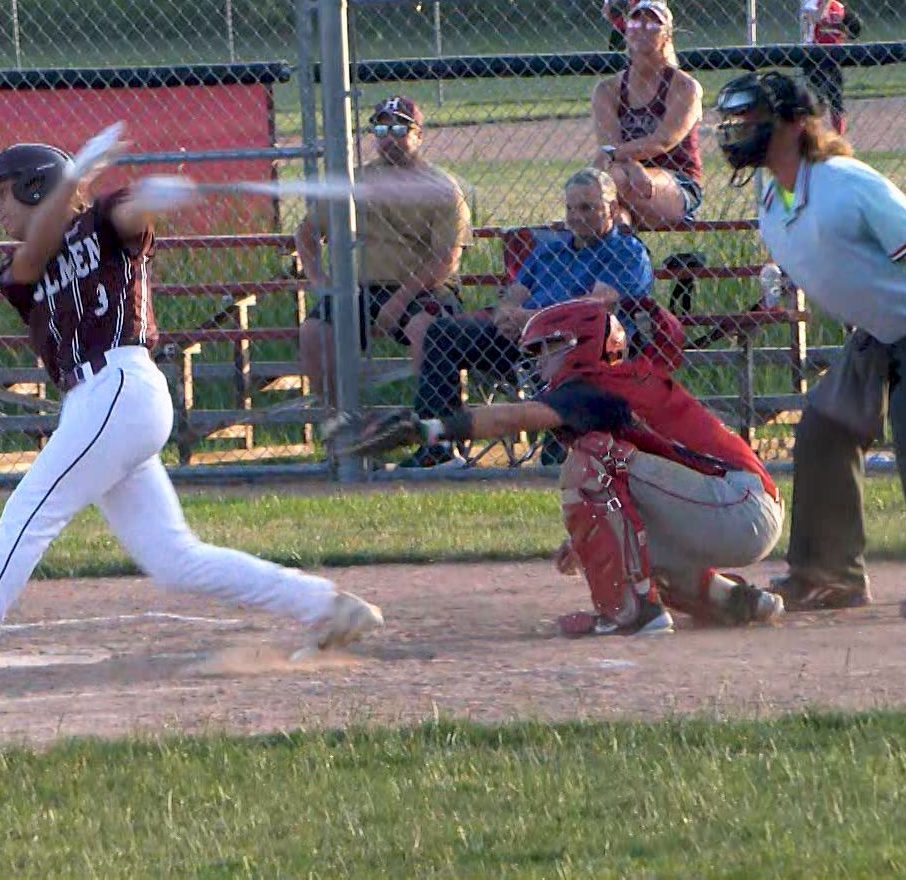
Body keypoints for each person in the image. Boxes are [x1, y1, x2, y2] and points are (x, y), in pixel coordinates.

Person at [0, 132, 382, 700]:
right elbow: (39, 250)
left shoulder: (104, 220)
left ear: (34, 185)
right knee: (173, 559)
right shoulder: (17, 268)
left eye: (1, 194)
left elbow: (126, 214)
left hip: (120, 385)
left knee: (27, 514)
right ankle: (328, 608)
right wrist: (75, 180)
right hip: (97, 405)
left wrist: (150, 198)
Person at [712, 70, 906, 621]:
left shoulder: (844, 182)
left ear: (796, 123)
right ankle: (828, 577)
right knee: (824, 427)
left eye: (753, 118)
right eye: (735, 119)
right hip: (883, 330)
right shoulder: (770, 193)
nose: (738, 130)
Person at [327, 298, 785, 637]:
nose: (539, 362)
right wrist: (589, 537)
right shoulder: (610, 382)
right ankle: (735, 599)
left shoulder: (593, 383)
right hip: (735, 506)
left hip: (736, 504)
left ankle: (632, 613)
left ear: (581, 344)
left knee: (589, 458)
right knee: (622, 539)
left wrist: (426, 428)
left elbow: (514, 418)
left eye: (548, 349)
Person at [402, 169, 653, 467]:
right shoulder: (550, 249)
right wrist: (506, 316)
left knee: (571, 345)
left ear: (611, 208)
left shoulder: (625, 250)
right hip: (520, 338)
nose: (575, 217)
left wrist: (533, 320)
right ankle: (437, 451)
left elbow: (595, 305)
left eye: (586, 207)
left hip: (573, 347)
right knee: (442, 333)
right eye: (570, 208)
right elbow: (514, 294)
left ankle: (557, 454)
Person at [295, 95, 470, 405]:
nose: (389, 137)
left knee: (425, 330)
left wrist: (401, 298)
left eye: (400, 129)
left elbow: (447, 258)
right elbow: (306, 233)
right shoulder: (353, 182)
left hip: (423, 289)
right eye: (380, 130)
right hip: (358, 288)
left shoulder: (441, 187)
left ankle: (431, 428)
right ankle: (342, 424)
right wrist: (321, 284)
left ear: (419, 134)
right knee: (313, 332)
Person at [591, 0, 704, 227]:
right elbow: (611, 143)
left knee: (608, 186)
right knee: (611, 200)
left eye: (653, 25)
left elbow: (661, 141)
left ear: (666, 36)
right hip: (624, 172)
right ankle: (626, 248)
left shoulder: (684, 87)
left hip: (677, 182)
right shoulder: (607, 90)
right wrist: (632, 165)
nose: (642, 29)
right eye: (635, 24)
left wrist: (616, 156)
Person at [799, 0, 852, 134]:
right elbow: (816, 18)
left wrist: (842, 27)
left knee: (836, 98)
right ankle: (816, 135)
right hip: (813, 55)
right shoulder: (811, 4)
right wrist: (826, 1)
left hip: (833, 55)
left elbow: (848, 32)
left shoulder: (840, 7)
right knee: (817, 99)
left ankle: (838, 135)